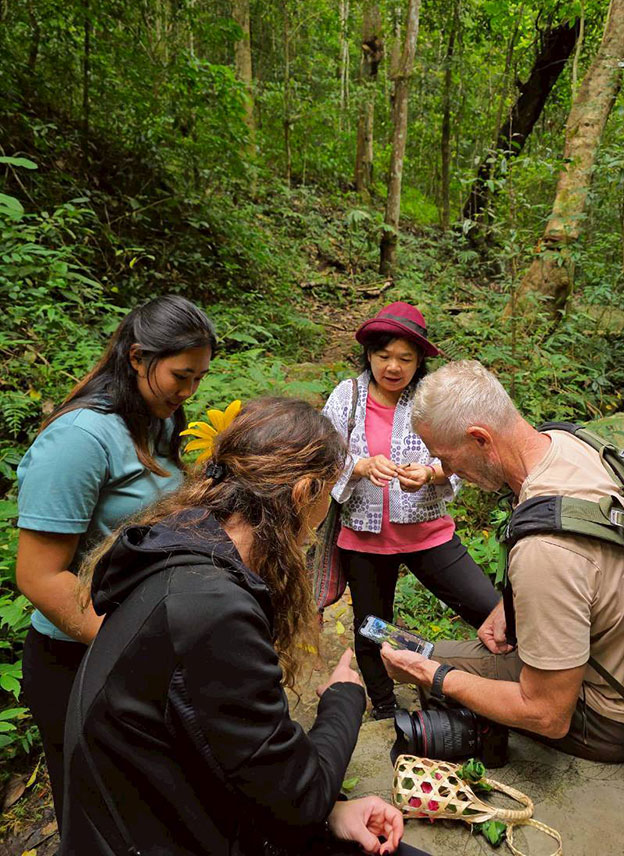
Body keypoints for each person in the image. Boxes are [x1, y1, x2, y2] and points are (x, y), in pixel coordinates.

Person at [61, 397, 414, 856]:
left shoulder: (179, 548)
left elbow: (239, 759)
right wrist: (343, 701)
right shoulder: (213, 608)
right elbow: (299, 795)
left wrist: (331, 810)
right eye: (327, 494)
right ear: (305, 492)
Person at [381, 360, 624, 762]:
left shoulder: (544, 552)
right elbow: (589, 568)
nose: (448, 472)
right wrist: (510, 603)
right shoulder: (567, 444)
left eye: (446, 458)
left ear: (481, 439)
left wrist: (435, 679)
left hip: (617, 716)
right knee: (429, 653)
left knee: (428, 663)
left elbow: (548, 715)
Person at [15, 295, 216, 822]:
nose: (190, 391)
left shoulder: (157, 420)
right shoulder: (80, 440)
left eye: (199, 377)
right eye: (181, 375)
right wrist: (129, 648)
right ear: (136, 358)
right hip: (79, 659)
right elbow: (38, 576)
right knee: (93, 815)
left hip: (139, 646)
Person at [322, 304, 499, 719]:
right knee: (373, 627)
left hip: (428, 535)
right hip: (364, 541)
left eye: (405, 358)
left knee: (490, 610)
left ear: (420, 361)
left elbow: (460, 457)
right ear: (368, 354)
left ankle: (502, 681)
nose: (393, 367)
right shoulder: (347, 396)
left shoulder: (431, 400)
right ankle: (385, 706)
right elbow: (323, 455)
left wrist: (434, 473)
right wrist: (360, 466)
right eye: (384, 356)